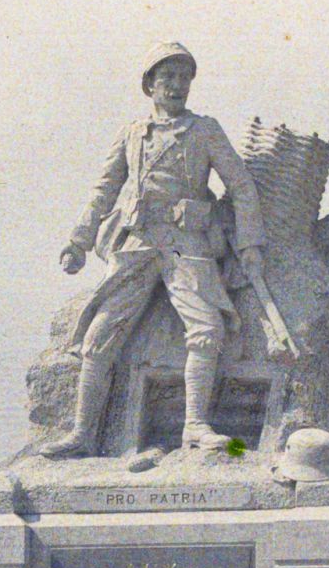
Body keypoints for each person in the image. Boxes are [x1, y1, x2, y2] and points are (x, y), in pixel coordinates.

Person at [44, 42, 267, 460]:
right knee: (98, 336)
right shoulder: (132, 134)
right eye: (168, 77)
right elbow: (105, 189)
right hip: (138, 242)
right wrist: (77, 240)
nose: (178, 86)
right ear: (150, 85)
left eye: (185, 78)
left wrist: (250, 243)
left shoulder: (205, 130)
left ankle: (196, 427)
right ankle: (81, 433)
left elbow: (240, 185)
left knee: (208, 329)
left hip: (186, 245)